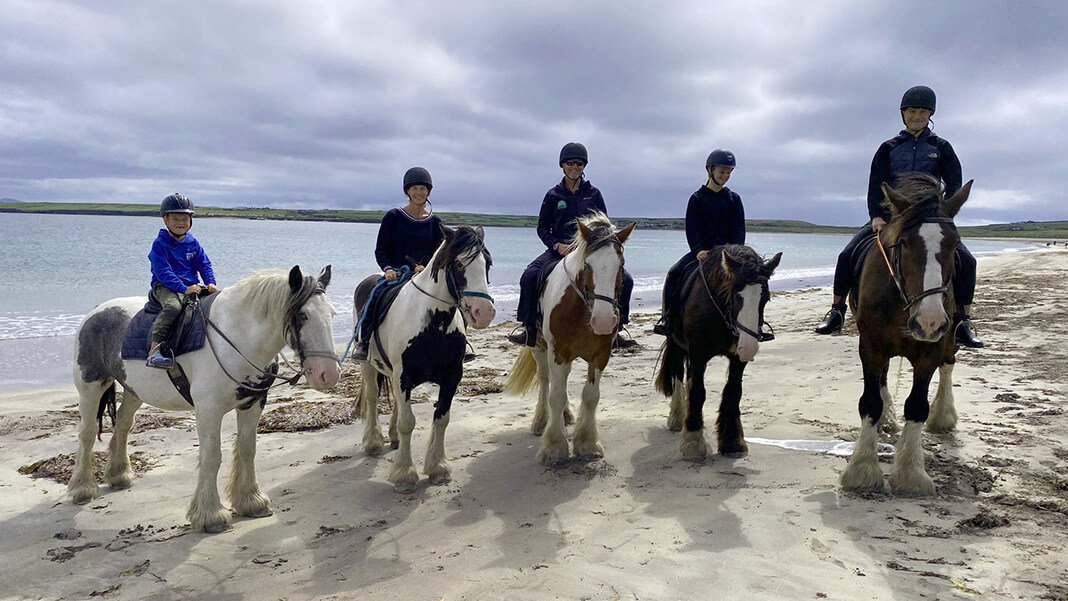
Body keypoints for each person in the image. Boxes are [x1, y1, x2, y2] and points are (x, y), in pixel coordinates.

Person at [814, 85, 983, 348]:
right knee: (847, 255)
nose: (917, 116)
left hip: (928, 221)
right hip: (892, 218)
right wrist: (876, 216)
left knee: (967, 262)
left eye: (923, 111)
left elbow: (954, 185)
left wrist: (942, 214)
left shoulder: (942, 148)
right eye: (912, 111)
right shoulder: (888, 148)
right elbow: (875, 184)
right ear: (903, 114)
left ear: (931, 115)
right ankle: (836, 311)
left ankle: (963, 321)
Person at [507, 142, 637, 348]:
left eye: (579, 163)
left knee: (626, 280)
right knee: (530, 276)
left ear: (584, 166)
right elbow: (542, 228)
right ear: (562, 165)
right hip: (559, 251)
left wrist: (589, 247)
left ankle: (618, 328)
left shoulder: (594, 194)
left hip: (588, 252)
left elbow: (604, 227)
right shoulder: (553, 195)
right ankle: (529, 327)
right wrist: (556, 245)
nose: (574, 167)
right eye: (570, 163)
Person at [654, 149, 767, 338]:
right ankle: (668, 320)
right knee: (674, 273)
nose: (725, 176)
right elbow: (691, 228)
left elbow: (739, 230)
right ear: (710, 170)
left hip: (728, 257)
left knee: (758, 279)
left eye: (729, 172)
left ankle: (759, 325)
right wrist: (698, 250)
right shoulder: (697, 199)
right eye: (722, 172)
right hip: (703, 253)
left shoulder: (734, 199)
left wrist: (736, 254)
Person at [351, 167, 446, 362]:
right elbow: (381, 249)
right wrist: (387, 268)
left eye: (423, 189)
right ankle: (364, 342)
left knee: (450, 298)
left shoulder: (435, 222)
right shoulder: (393, 217)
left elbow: (438, 252)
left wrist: (426, 266)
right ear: (407, 192)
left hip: (424, 275)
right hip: (396, 275)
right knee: (376, 295)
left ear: (429, 191)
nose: (419, 193)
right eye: (415, 189)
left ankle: (460, 341)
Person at [146, 193, 218, 368]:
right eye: (175, 219)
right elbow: (163, 272)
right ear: (166, 220)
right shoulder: (160, 244)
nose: (180, 223)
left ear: (191, 220)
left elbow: (204, 263)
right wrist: (182, 288)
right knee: (173, 307)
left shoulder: (193, 242)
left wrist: (210, 282)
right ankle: (154, 351)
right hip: (166, 286)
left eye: (184, 219)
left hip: (190, 286)